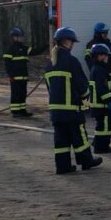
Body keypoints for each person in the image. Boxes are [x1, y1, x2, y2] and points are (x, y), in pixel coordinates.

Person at [45, 27, 103, 174]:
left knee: (61, 139)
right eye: (72, 42)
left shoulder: (50, 63)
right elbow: (82, 86)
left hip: (55, 111)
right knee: (79, 136)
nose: (72, 45)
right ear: (66, 42)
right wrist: (85, 97)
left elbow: (49, 87)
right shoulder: (71, 61)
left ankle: (63, 166)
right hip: (71, 109)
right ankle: (86, 161)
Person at [88, 43, 111, 153]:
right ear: (99, 56)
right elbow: (102, 88)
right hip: (101, 105)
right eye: (106, 55)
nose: (107, 58)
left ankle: (99, 143)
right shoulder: (99, 70)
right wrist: (109, 101)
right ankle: (100, 147)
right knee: (103, 127)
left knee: (104, 125)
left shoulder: (98, 68)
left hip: (99, 104)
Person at [3, 27, 33, 118]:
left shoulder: (23, 48)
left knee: (23, 94)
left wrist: (47, 45)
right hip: (15, 77)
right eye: (20, 36)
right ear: (14, 37)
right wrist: (10, 75)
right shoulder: (10, 49)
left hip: (23, 77)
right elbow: (7, 64)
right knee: (16, 94)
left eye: (22, 36)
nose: (21, 38)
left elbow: (35, 51)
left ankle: (22, 111)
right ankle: (15, 112)